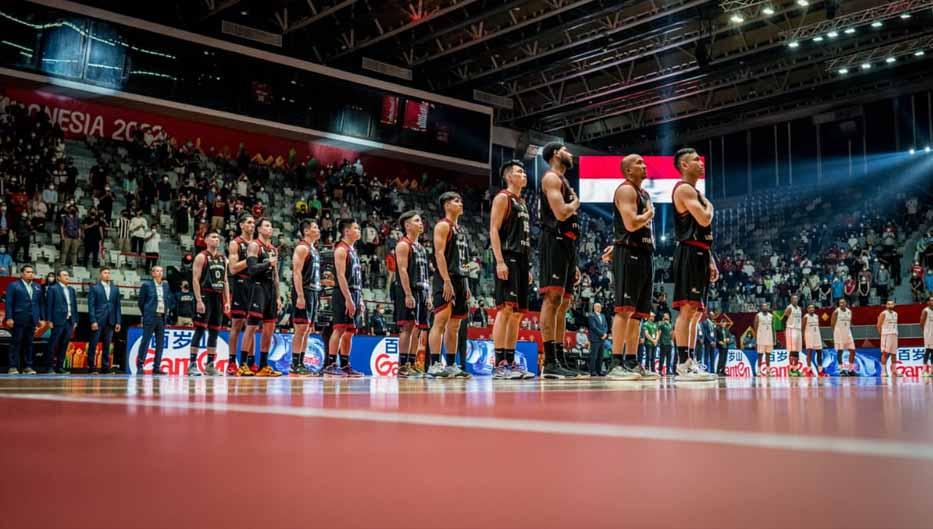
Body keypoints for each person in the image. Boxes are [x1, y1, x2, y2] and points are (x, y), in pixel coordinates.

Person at [599, 154, 658, 381]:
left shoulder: (644, 193)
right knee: (624, 310)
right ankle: (615, 364)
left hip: (645, 253)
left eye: (644, 162)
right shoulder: (625, 190)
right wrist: (650, 213)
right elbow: (631, 223)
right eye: (638, 163)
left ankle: (632, 362)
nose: (644, 166)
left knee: (638, 315)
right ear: (628, 171)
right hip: (630, 253)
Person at [671, 147, 718, 381]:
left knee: (697, 313)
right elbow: (704, 218)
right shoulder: (684, 189)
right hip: (689, 252)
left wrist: (711, 260)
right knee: (687, 309)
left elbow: (703, 230)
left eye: (701, 159)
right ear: (684, 165)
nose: (701, 163)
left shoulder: (696, 193)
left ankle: (691, 361)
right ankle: (682, 364)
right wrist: (710, 206)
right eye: (695, 160)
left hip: (701, 252)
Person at [538, 143, 582, 379]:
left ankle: (560, 358)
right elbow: (561, 212)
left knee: (564, 304)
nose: (570, 153)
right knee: (552, 298)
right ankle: (550, 360)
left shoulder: (563, 181)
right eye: (566, 149)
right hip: (553, 239)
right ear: (556, 154)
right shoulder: (551, 178)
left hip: (568, 243)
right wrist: (575, 203)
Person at [489, 160, 534, 380]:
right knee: (505, 310)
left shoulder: (522, 202)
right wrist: (499, 260)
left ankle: (511, 361)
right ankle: (499, 364)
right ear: (509, 177)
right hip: (507, 257)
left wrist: (528, 267)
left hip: (522, 260)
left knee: (517, 314)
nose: (523, 174)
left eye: (524, 171)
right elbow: (494, 230)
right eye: (519, 172)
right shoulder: (502, 198)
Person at [427, 193, 471, 379]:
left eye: (461, 200)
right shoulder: (443, 226)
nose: (460, 203)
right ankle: (435, 363)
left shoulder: (460, 229)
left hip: (461, 279)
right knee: (441, 321)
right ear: (446, 205)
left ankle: (451, 364)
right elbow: (439, 254)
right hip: (446, 277)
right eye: (456, 201)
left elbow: (464, 260)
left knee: (455, 326)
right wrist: (446, 280)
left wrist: (466, 285)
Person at [393, 211, 431, 378]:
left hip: (422, 290)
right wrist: (408, 294)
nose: (420, 222)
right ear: (407, 225)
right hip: (408, 290)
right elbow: (402, 270)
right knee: (407, 327)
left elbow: (426, 274)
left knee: (418, 329)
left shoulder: (422, 248)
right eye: (416, 220)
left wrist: (428, 295)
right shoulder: (403, 245)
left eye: (420, 220)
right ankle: (402, 366)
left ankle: (412, 363)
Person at [325, 219, 364, 377]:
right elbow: (340, 276)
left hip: (355, 292)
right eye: (356, 228)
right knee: (339, 329)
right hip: (342, 293)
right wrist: (348, 298)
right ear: (346, 231)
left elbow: (357, 277)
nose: (359, 230)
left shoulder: (353, 250)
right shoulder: (341, 249)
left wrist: (359, 298)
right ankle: (331, 364)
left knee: (349, 332)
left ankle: (346, 365)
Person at [189, 232, 230, 376]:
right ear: (206, 240)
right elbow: (195, 279)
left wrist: (227, 301)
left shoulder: (223, 258)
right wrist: (199, 299)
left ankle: (210, 365)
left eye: (218, 238)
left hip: (218, 297)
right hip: (205, 294)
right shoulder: (201, 256)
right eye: (213, 237)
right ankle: (192, 364)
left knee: (214, 332)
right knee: (200, 330)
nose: (216, 240)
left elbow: (225, 281)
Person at [245, 218, 282, 377]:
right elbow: (251, 269)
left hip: (270, 290)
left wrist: (278, 296)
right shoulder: (254, 245)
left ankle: (263, 365)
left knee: (269, 329)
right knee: (252, 327)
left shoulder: (273, 249)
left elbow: (276, 275)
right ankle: (243, 364)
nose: (270, 228)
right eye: (267, 225)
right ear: (259, 229)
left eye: (271, 225)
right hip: (257, 287)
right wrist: (268, 264)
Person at [290, 219, 323, 377]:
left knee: (308, 330)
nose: (318, 230)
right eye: (315, 227)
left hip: (314, 291)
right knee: (301, 328)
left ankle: (301, 363)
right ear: (306, 231)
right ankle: (294, 364)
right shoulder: (302, 248)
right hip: (304, 291)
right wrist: (300, 296)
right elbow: (296, 272)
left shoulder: (314, 249)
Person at [228, 214, 256, 376]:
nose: (252, 225)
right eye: (248, 222)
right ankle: (232, 362)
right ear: (241, 226)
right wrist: (250, 259)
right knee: (237, 325)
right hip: (240, 283)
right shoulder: (235, 243)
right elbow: (232, 268)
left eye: (253, 223)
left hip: (255, 285)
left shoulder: (258, 244)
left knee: (251, 324)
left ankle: (251, 362)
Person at [4, 265, 44, 374]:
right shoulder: (14, 285)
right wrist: (9, 317)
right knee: (16, 342)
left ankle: (28, 366)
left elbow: (40, 304)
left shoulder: (37, 286)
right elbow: (9, 303)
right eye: (28, 272)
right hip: (18, 318)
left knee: (29, 343)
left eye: (32, 272)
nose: (31, 274)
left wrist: (40, 318)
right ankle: (12, 366)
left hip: (32, 319)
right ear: (22, 274)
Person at [137, 266, 174, 374]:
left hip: (162, 317)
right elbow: (141, 302)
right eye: (157, 271)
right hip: (150, 316)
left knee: (160, 343)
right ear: (152, 273)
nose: (159, 273)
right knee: (145, 341)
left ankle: (156, 367)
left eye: (161, 271)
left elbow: (169, 300)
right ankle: (140, 365)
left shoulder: (166, 286)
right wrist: (146, 313)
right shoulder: (146, 285)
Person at [87, 267, 122, 374]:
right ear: (100, 274)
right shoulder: (94, 288)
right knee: (94, 343)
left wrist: (118, 322)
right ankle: (91, 367)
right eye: (105, 273)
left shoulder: (115, 289)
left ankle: (105, 368)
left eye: (108, 273)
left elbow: (117, 306)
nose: (107, 274)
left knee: (107, 345)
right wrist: (93, 320)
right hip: (98, 319)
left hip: (111, 320)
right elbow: (91, 306)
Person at [44, 270, 77, 375]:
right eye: (64, 275)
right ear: (58, 278)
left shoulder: (71, 290)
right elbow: (49, 306)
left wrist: (75, 320)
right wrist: (49, 320)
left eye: (68, 275)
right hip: (57, 320)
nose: (67, 277)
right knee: (53, 344)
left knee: (64, 344)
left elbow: (74, 306)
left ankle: (60, 366)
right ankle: (49, 367)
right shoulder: (53, 289)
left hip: (69, 321)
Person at [831, 298, 857, 376]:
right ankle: (841, 370)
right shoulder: (836, 312)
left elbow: (850, 323)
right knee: (840, 352)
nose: (841, 304)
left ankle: (850, 369)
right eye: (840, 303)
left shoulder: (849, 312)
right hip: (839, 334)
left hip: (848, 333)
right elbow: (832, 324)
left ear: (846, 303)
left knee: (853, 351)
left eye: (843, 302)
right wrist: (835, 334)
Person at [782, 294, 803, 376]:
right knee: (792, 349)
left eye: (796, 299)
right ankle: (791, 369)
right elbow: (783, 320)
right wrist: (784, 330)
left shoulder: (799, 308)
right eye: (793, 299)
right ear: (791, 300)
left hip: (798, 329)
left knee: (797, 350)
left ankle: (796, 369)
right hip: (791, 329)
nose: (795, 300)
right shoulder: (789, 308)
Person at [877, 300, 899, 378]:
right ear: (886, 305)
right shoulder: (883, 313)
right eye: (889, 304)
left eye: (892, 304)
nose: (890, 305)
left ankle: (894, 371)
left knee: (894, 354)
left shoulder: (896, 314)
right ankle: (883, 371)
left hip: (894, 334)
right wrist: (882, 335)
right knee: (885, 353)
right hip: (886, 335)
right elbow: (878, 326)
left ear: (894, 305)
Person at [587, 303, 609, 376]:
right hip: (595, 338)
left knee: (600, 356)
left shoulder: (603, 315)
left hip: (602, 339)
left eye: (599, 307)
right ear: (594, 307)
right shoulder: (591, 315)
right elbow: (593, 327)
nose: (599, 308)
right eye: (597, 306)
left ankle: (599, 371)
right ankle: (592, 371)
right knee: (594, 356)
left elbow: (606, 326)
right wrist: (602, 334)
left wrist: (605, 333)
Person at [752, 303, 774, 377]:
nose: (765, 307)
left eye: (766, 306)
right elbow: (755, 327)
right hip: (761, 338)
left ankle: (768, 371)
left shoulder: (771, 316)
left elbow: (773, 328)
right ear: (761, 308)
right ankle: (759, 371)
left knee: (768, 355)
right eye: (763, 306)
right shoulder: (758, 315)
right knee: (760, 355)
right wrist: (756, 338)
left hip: (769, 338)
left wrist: (774, 339)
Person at [803, 304, 823, 377]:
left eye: (813, 308)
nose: (811, 309)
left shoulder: (816, 316)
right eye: (810, 308)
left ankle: (820, 372)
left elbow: (818, 327)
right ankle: (809, 371)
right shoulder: (805, 317)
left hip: (817, 337)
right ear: (807, 309)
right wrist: (803, 338)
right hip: (809, 337)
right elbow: (802, 328)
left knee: (819, 354)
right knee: (809, 354)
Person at [921, 295, 933, 378]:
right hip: (928, 334)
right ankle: (924, 370)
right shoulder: (925, 310)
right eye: (931, 300)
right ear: (928, 302)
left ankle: (931, 371)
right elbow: (921, 323)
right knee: (928, 351)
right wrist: (925, 332)